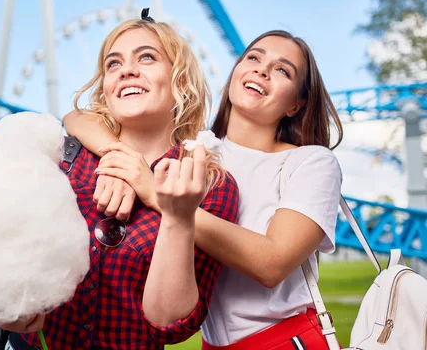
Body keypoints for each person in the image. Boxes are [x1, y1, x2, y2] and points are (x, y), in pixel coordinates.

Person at [0, 10, 239, 350]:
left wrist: (176, 216)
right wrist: (12, 305)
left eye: (147, 57)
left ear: (180, 80)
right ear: (106, 85)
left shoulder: (210, 184)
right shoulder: (61, 157)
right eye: (114, 64)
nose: (127, 69)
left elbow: (167, 325)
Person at [64, 29, 344, 349]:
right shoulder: (200, 152)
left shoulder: (311, 162)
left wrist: (155, 194)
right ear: (235, 73)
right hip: (212, 343)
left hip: (284, 338)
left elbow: (273, 263)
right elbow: (76, 117)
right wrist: (117, 155)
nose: (262, 70)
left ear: (296, 104)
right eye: (253, 57)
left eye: (282, 70)